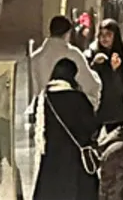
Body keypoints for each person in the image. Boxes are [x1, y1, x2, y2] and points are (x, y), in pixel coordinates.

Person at [33, 59, 100, 200]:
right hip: (75, 159)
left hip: (52, 158)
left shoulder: (44, 98)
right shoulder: (77, 98)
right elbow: (92, 125)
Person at [32, 15, 102, 109]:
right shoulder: (73, 55)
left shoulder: (35, 58)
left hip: (43, 109)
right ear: (68, 33)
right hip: (69, 110)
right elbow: (90, 84)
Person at [86, 19, 123, 136]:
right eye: (101, 34)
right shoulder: (91, 54)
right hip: (95, 108)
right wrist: (94, 65)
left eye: (108, 34)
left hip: (115, 110)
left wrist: (115, 70)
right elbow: (87, 82)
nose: (104, 38)